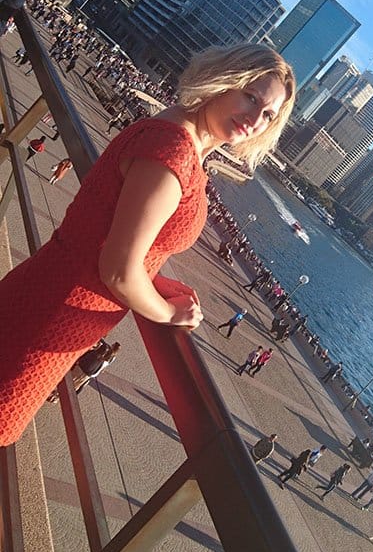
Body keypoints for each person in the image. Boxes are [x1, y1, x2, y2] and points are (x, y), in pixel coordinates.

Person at [0, 43, 296, 445]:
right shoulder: (173, 151)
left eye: (268, 115)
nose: (255, 118)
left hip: (50, 298)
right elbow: (119, 271)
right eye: (251, 97)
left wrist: (153, 279)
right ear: (224, 80)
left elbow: (110, 232)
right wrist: (169, 312)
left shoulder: (180, 136)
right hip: (51, 321)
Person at [48, 341, 121, 401]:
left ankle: (54, 395)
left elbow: (85, 358)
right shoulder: (106, 359)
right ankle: (56, 397)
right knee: (74, 385)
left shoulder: (95, 354)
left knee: (68, 381)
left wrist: (78, 363)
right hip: (89, 374)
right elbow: (101, 367)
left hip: (82, 370)